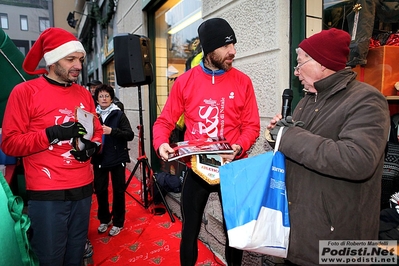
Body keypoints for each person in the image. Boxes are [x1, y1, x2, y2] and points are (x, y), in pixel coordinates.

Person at [266, 28, 390, 265]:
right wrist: (280, 135)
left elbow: (357, 160)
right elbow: (306, 148)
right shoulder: (307, 99)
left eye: (300, 63)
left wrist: (289, 137)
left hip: (343, 245)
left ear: (321, 63)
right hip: (302, 236)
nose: (296, 71)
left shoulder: (368, 100)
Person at [153, 18, 260, 266]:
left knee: (235, 234)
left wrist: (240, 145)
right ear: (208, 50)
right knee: (189, 232)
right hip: (197, 169)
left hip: (231, 169)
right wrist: (161, 143)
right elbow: (164, 122)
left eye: (233, 43)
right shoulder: (185, 82)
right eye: (225, 46)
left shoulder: (243, 82)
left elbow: (252, 125)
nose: (232, 50)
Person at [1, 27, 103, 266]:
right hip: (47, 194)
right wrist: (51, 134)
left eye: (80, 59)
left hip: (84, 189)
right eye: (70, 59)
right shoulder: (24, 92)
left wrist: (92, 147)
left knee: (76, 255)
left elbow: (96, 131)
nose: (78, 65)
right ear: (52, 60)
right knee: (50, 258)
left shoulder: (84, 93)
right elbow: (10, 143)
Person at [91, 84, 134, 236]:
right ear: (96, 99)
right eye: (101, 96)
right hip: (99, 157)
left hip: (117, 157)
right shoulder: (92, 114)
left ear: (111, 98)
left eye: (106, 96)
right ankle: (104, 219)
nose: (104, 98)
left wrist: (112, 131)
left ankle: (118, 222)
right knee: (100, 190)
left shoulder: (118, 114)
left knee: (118, 190)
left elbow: (129, 134)